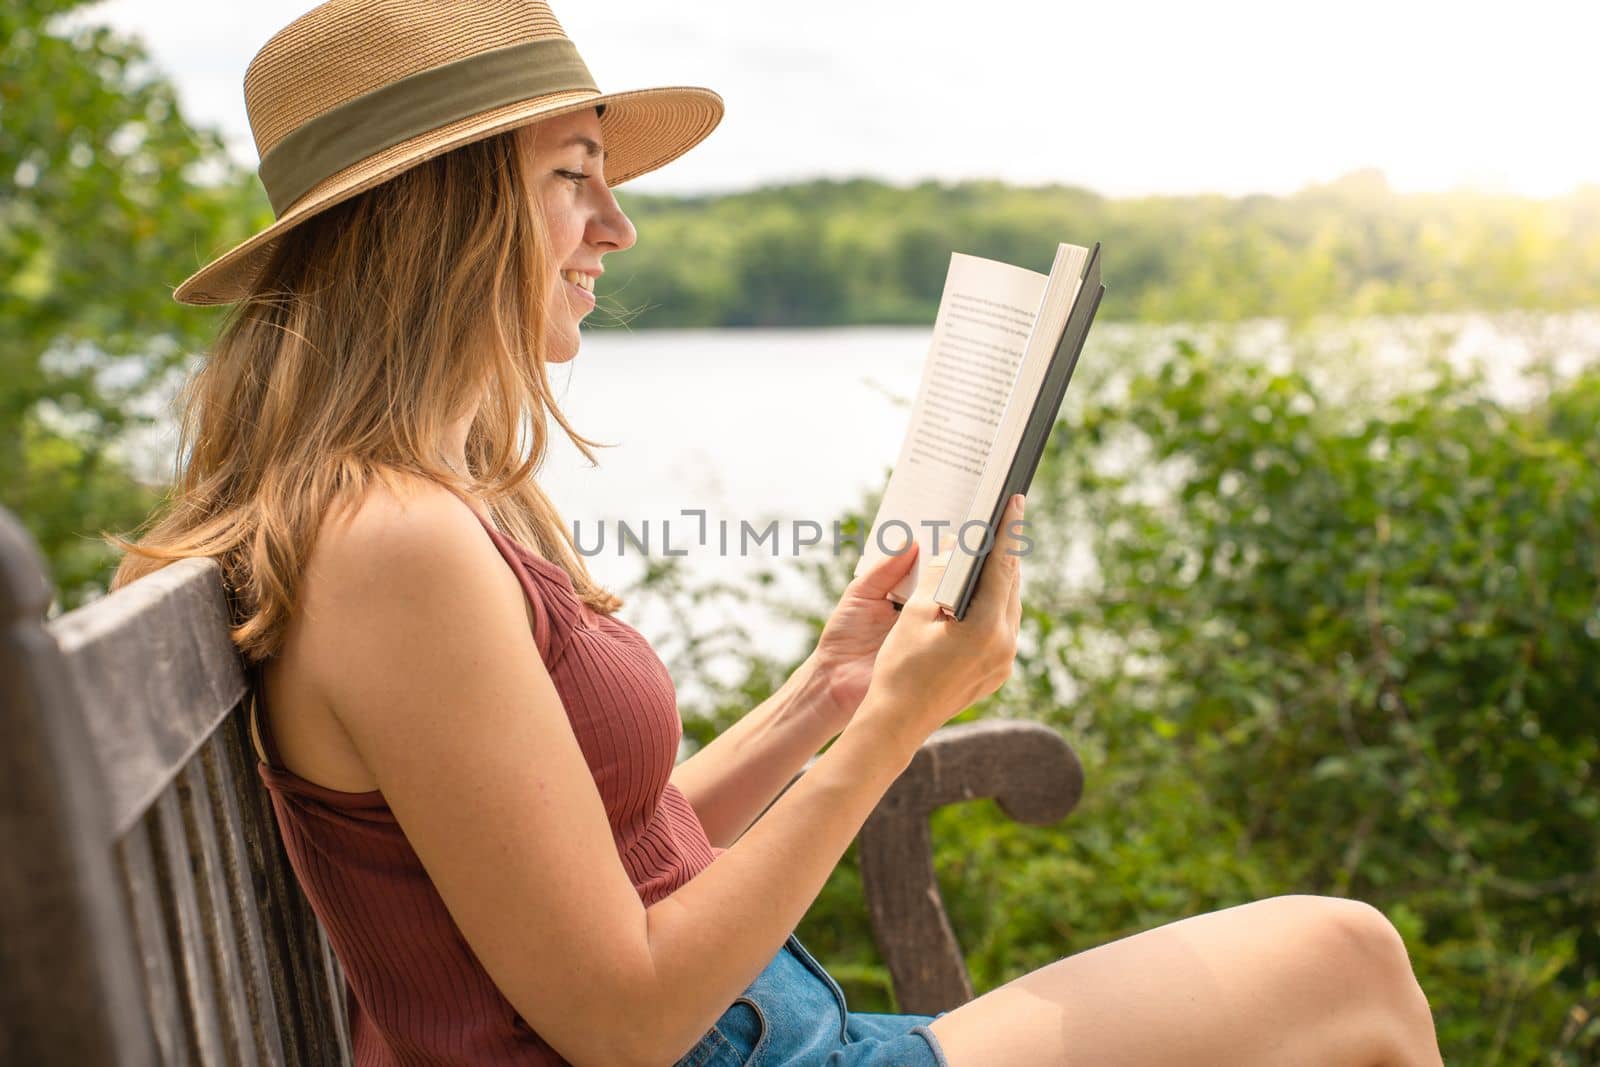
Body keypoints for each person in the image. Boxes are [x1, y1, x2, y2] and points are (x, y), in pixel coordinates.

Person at [111, 2, 1445, 1065]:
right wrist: (883, 738)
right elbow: (622, 1022)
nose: (616, 228)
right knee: (1348, 965)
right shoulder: (396, 544)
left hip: (774, 1037)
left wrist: (829, 688)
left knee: (1333, 969)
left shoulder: (389, 510)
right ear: (443, 216)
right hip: (747, 1054)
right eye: (576, 179)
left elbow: (579, 880)